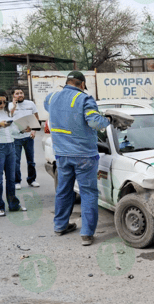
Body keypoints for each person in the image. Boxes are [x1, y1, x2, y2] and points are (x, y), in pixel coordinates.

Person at [44, 71, 110, 246]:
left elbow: (48, 107)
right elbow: (96, 123)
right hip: (84, 156)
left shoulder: (52, 98)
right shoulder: (84, 99)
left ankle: (60, 226)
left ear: (66, 82)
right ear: (82, 84)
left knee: (64, 190)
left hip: (62, 155)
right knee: (88, 193)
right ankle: (87, 234)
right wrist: (108, 120)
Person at [9, 89, 40, 190]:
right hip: (15, 137)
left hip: (28, 137)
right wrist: (14, 106)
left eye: (21, 93)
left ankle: (32, 180)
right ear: (13, 96)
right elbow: (9, 117)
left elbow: (36, 118)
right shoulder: (10, 106)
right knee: (16, 161)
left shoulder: (30, 104)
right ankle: (17, 181)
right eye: (17, 93)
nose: (20, 95)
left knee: (31, 160)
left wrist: (33, 131)